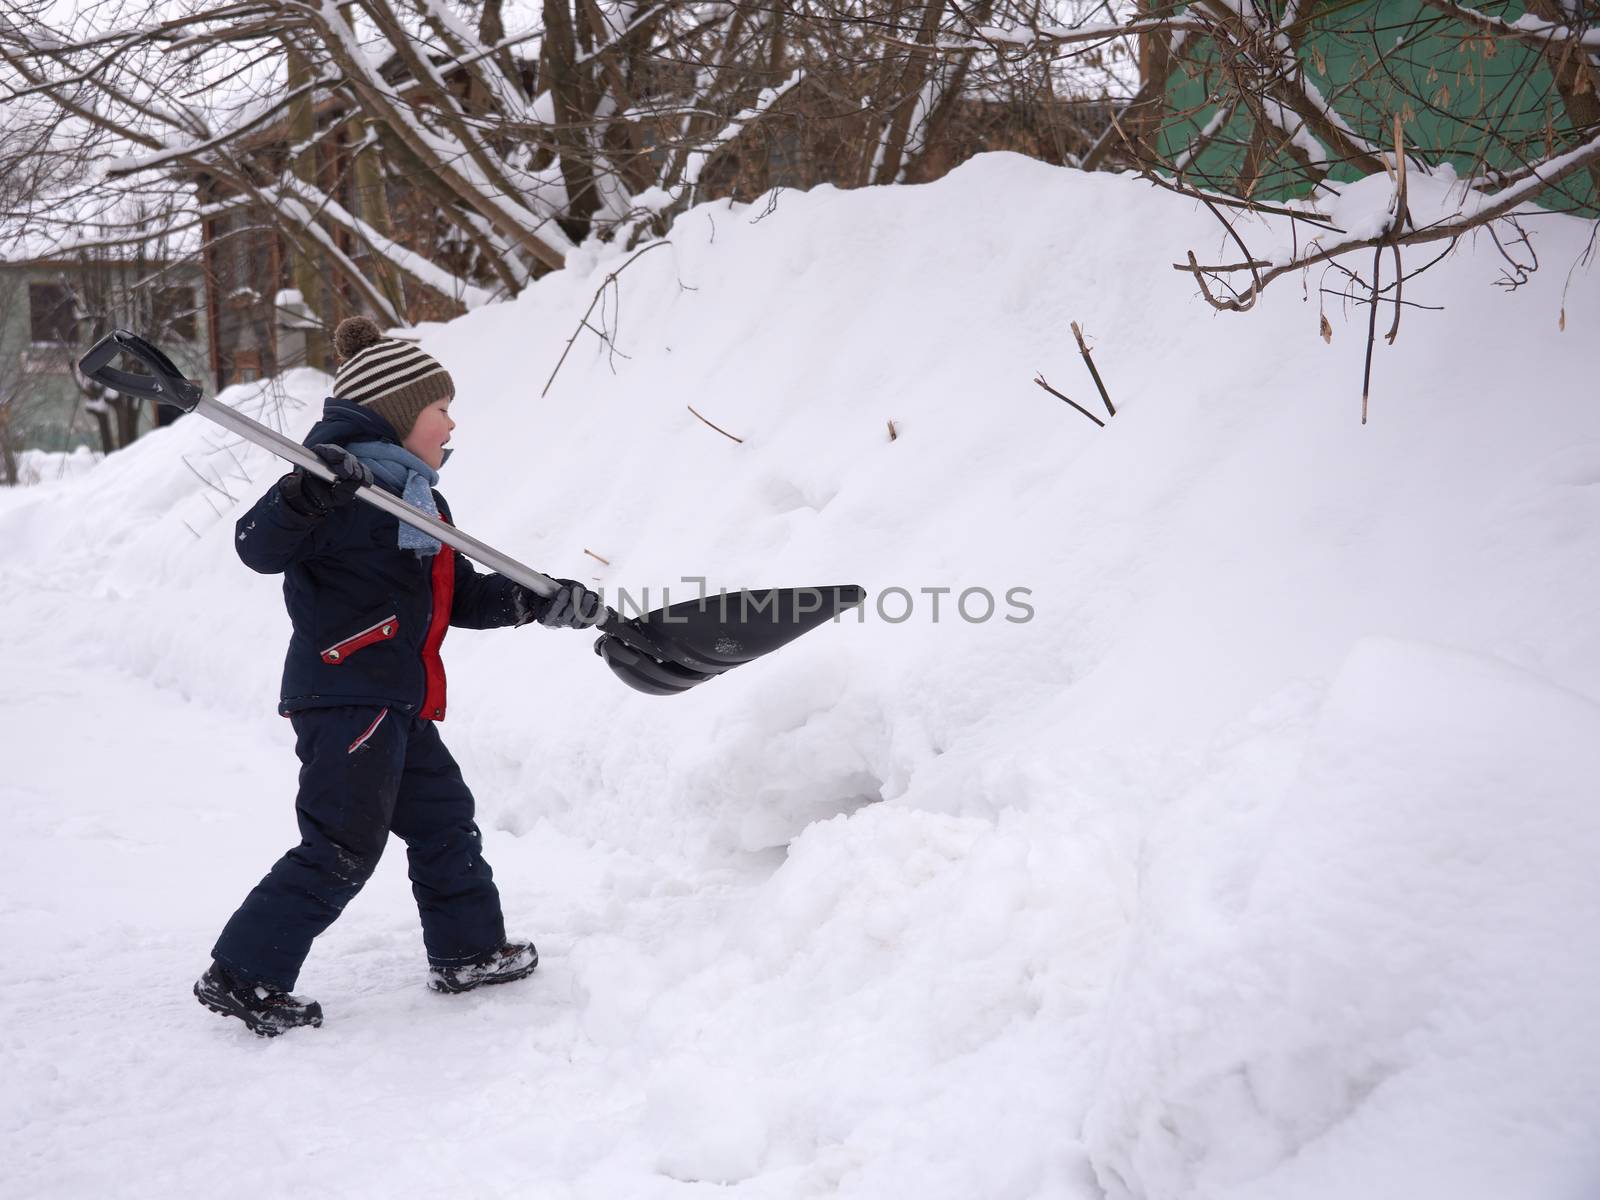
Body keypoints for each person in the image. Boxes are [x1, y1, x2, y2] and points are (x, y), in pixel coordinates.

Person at [194, 316, 603, 1037]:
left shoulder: (417, 499)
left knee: (446, 822)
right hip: (348, 697)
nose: (452, 422)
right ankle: (243, 974)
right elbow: (256, 547)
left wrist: (535, 600)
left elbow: (460, 597)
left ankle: (468, 951)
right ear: (397, 415)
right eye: (440, 408)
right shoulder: (330, 486)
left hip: (401, 702)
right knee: (343, 846)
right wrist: (305, 495)